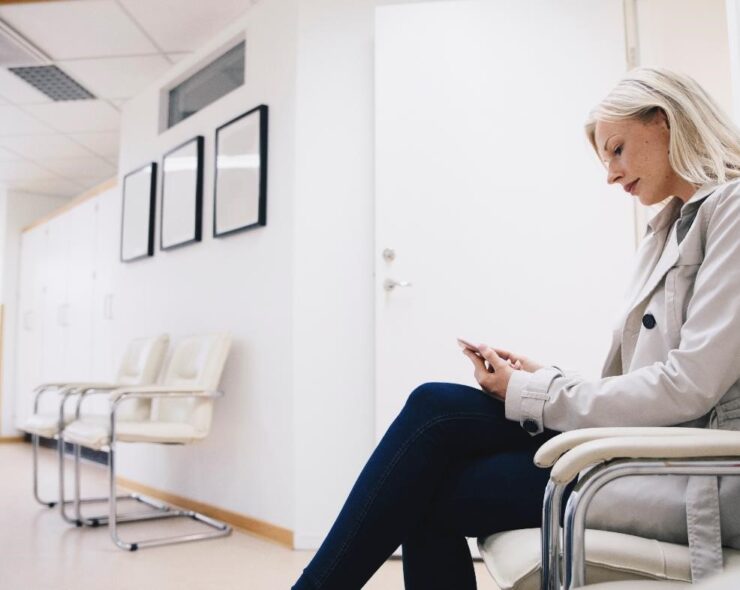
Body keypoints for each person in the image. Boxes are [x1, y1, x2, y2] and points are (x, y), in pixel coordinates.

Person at [292, 67, 740, 589]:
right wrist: (542, 378)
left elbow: (688, 386)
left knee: (423, 487)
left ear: (663, 122)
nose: (611, 175)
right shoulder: (668, 227)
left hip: (689, 470)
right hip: (649, 446)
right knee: (434, 405)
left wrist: (535, 392)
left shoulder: (732, 209)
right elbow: (649, 380)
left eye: (617, 150)